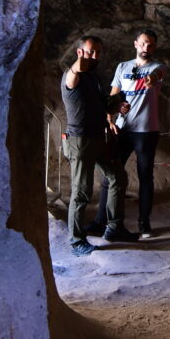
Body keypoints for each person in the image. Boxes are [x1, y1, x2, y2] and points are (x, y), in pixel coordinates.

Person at [61, 35, 135, 256]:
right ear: (79, 52)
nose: (95, 56)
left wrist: (118, 105)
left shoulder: (93, 77)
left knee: (117, 177)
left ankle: (114, 227)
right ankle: (76, 241)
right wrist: (76, 66)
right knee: (81, 192)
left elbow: (103, 104)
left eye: (98, 52)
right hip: (80, 141)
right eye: (91, 51)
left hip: (97, 138)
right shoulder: (72, 75)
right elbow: (72, 75)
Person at [98, 29, 169, 237]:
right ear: (136, 44)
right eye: (144, 44)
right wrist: (115, 110)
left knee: (145, 176)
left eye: (152, 45)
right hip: (122, 128)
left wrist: (151, 79)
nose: (147, 48)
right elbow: (113, 95)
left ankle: (144, 223)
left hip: (146, 130)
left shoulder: (157, 67)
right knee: (111, 174)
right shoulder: (123, 67)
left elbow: (158, 75)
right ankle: (103, 220)